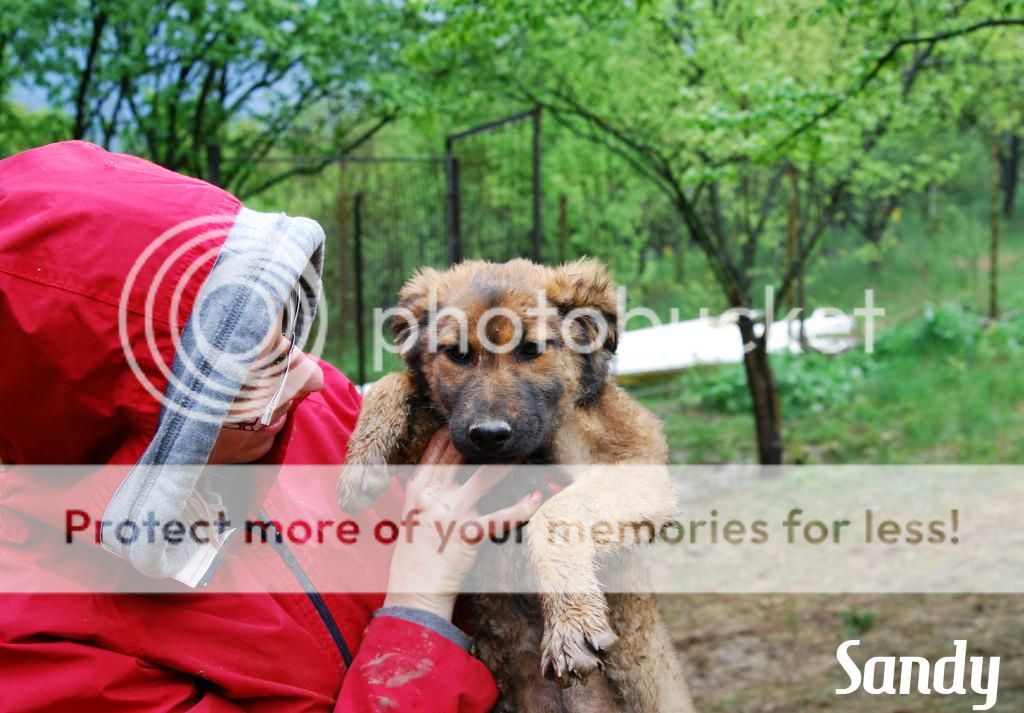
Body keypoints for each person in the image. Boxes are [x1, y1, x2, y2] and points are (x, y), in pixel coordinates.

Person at [0, 141, 541, 711]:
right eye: (245, 369)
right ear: (139, 424)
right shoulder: (34, 635)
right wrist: (420, 603)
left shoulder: (305, 413)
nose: (313, 376)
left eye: (286, 330)